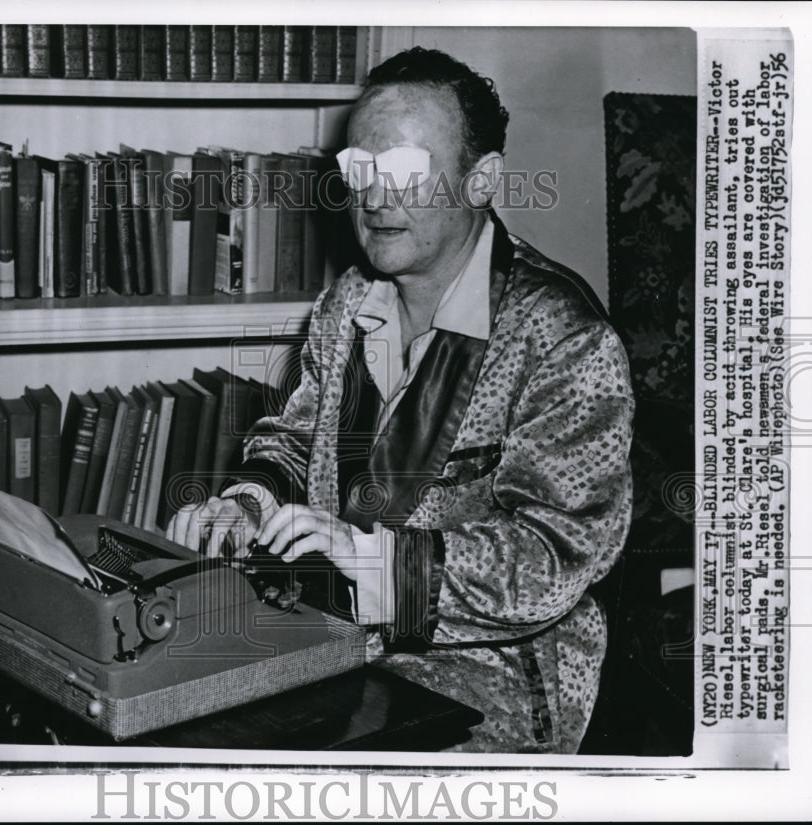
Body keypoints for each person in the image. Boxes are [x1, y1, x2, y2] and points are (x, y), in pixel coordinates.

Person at [167, 47, 634, 753]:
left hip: (486, 674)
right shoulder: (347, 301)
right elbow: (293, 438)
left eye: (406, 172)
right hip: (328, 636)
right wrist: (248, 502)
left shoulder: (565, 339)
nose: (374, 197)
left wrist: (375, 561)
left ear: (482, 180)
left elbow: (551, 557)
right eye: (359, 170)